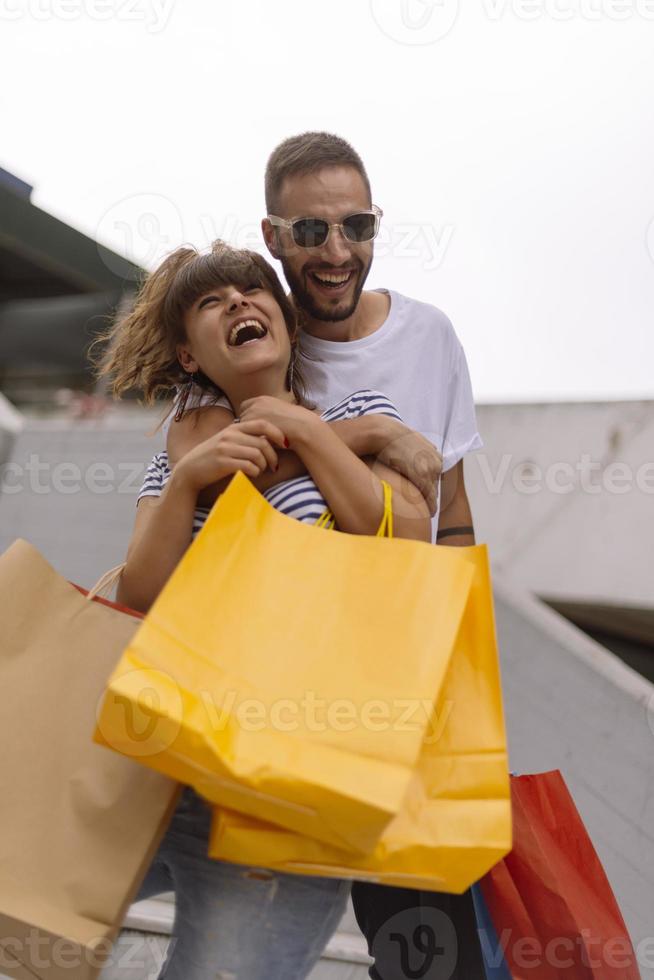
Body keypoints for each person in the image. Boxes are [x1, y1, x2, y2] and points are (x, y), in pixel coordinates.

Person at [167, 132, 487, 979]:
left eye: (358, 225)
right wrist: (367, 430)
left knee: (429, 938)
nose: (338, 252)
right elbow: (230, 451)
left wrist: (457, 665)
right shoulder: (254, 338)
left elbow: (447, 515)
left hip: (394, 676)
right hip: (271, 693)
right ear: (274, 237)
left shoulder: (428, 338)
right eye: (311, 233)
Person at [95, 240, 433, 980]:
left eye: (254, 291)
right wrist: (186, 484)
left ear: (284, 321)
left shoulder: (361, 411)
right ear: (189, 355)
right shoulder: (179, 461)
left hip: (295, 787)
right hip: (172, 766)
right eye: (213, 302)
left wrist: (316, 430)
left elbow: (394, 541)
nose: (239, 303)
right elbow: (140, 598)